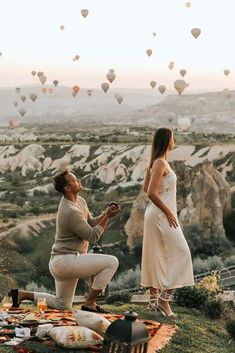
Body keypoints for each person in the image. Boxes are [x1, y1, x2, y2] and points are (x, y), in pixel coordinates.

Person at [9, 170, 121, 313]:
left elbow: (92, 224)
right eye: (74, 180)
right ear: (67, 188)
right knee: (112, 262)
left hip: (61, 261)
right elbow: (92, 236)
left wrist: (106, 213)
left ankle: (22, 295)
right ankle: (90, 303)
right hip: (66, 261)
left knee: (63, 304)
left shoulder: (79, 200)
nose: (79, 180)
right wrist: (108, 218)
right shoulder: (70, 211)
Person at [141, 128, 194, 317]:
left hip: (156, 214)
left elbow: (146, 187)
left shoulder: (156, 162)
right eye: (172, 137)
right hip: (161, 215)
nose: (174, 140)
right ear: (167, 141)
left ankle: (154, 300)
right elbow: (151, 192)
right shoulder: (161, 163)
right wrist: (169, 212)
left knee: (157, 255)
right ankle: (164, 300)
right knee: (182, 253)